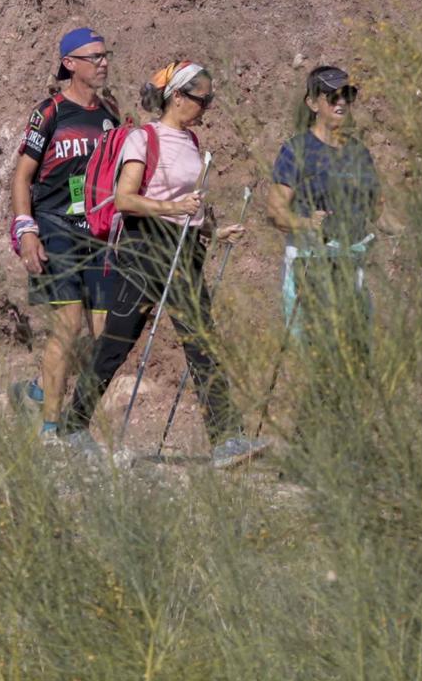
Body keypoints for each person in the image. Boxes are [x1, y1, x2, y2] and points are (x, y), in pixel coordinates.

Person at [60, 61, 267, 467]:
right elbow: (125, 199)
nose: (206, 106)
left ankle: (227, 438)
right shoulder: (144, 138)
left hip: (184, 248)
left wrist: (213, 229)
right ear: (177, 97)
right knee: (117, 341)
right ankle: (73, 425)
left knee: (201, 339)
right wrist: (175, 208)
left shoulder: (190, 142)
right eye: (201, 98)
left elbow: (188, 204)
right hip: (146, 246)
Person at [9, 27, 119, 437]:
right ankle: (52, 431)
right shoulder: (50, 112)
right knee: (68, 324)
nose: (103, 62)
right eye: (94, 57)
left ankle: (40, 390)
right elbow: (21, 177)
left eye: (106, 55)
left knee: (105, 335)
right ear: (70, 64)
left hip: (96, 232)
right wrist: (27, 232)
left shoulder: (109, 114)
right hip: (55, 227)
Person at [264, 65, 381, 370]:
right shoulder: (297, 149)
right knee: (321, 361)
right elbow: (275, 211)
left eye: (348, 95)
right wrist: (307, 223)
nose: (341, 101)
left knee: (357, 359)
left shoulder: (359, 153)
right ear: (313, 103)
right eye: (332, 96)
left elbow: (377, 210)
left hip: (350, 263)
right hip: (310, 263)